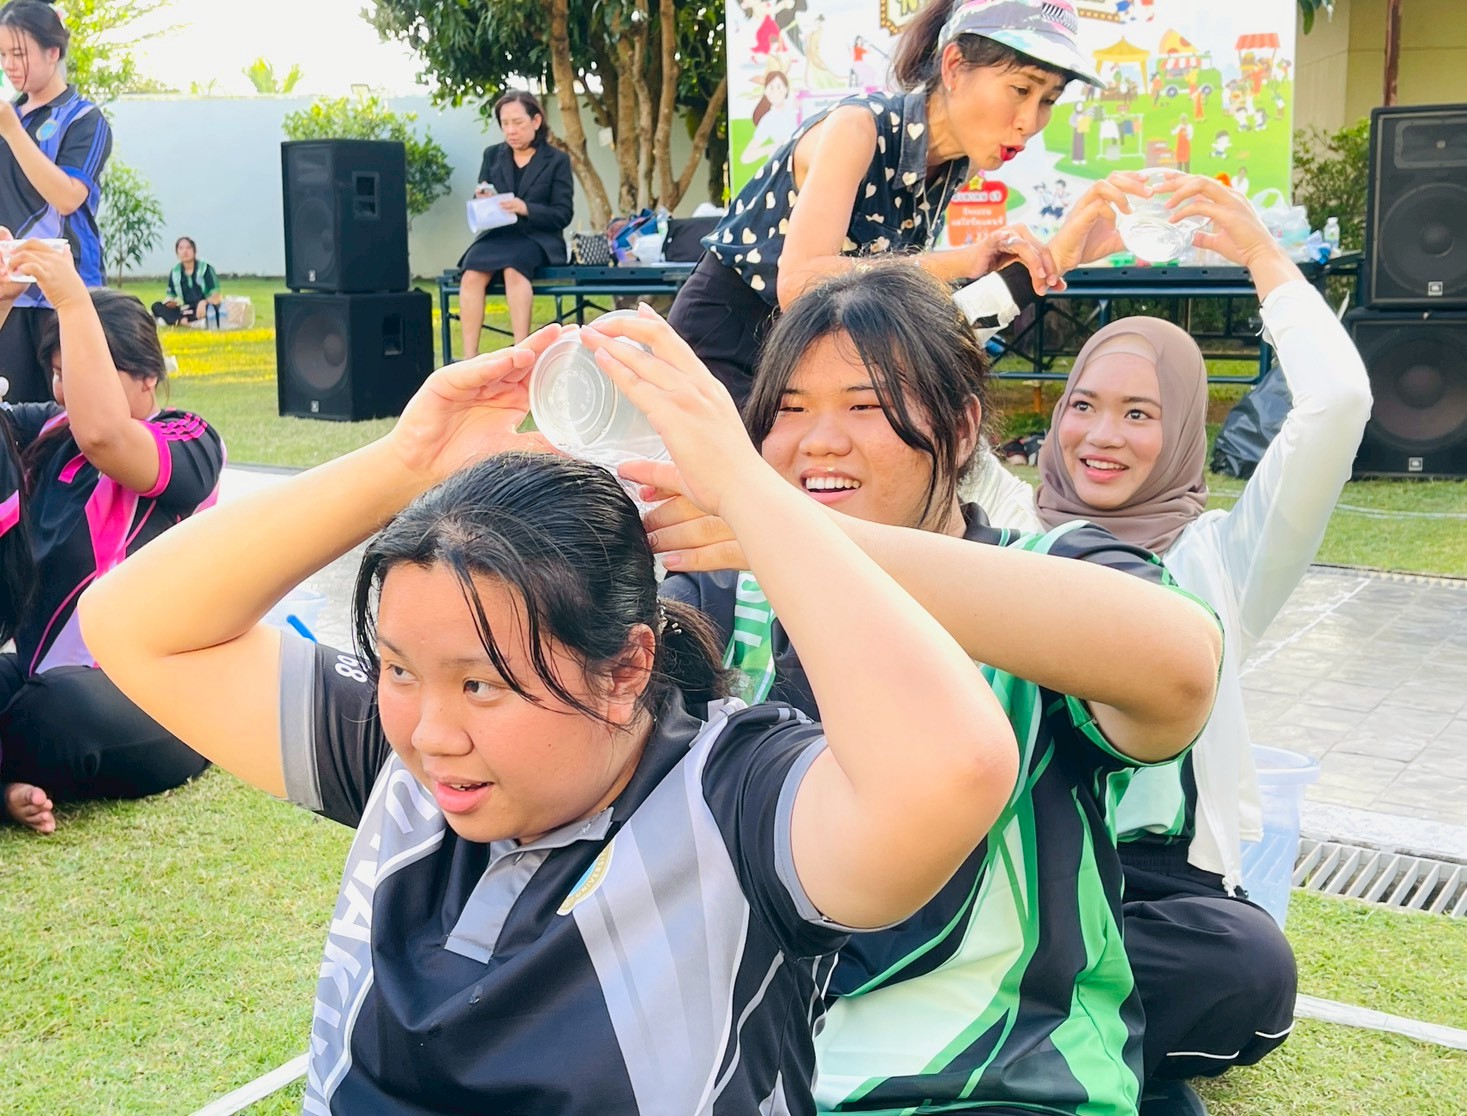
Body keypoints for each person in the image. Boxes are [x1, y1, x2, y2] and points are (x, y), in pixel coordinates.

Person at [78, 311, 1027, 1112]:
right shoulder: (405, 769)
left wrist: (748, 492)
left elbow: (953, 771)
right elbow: (134, 624)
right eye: (398, 669)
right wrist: (405, 463)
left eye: (482, 684)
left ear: (626, 670)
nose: (430, 732)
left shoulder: (733, 807)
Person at [591, 268, 1223, 1116]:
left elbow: (1180, 666)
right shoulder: (722, 594)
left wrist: (789, 529)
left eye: (864, 405)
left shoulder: (1048, 575)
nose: (818, 442)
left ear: (959, 430)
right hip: (746, 1078)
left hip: (994, 1088)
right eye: (788, 409)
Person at [1033, 175, 1373, 1112]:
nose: (1101, 437)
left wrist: (1262, 258)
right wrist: (1046, 264)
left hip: (1150, 885)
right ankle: (1079, 1048)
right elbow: (896, 376)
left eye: (1140, 414)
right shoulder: (995, 524)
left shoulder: (1221, 560)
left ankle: (1033, 1036)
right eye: (1082, 405)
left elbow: (1336, 402)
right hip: (1009, 865)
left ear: (1181, 425)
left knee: (1243, 963)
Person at [668, 0, 1109, 405]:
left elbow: (917, 296)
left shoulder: (958, 163)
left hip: (805, 354)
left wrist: (1060, 255)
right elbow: (800, 280)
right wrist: (963, 260)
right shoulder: (859, 128)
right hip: (723, 341)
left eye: (1049, 100)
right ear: (954, 67)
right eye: (1021, 89)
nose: (1030, 121)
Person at [0, 234, 220, 835]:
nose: (69, 390)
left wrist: (72, 299)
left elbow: (105, 436)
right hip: (40, 674)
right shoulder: (49, 430)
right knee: (37, 697)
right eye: (59, 374)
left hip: (156, 702)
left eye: (85, 369)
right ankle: (9, 789)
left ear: (148, 377)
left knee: (58, 712)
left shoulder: (189, 438)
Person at [0, 0, 111, 404]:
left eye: (19, 53)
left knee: (70, 411)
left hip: (64, 289)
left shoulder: (83, 119)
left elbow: (67, 197)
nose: (10, 65)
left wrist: (12, 130)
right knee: (12, 414)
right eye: (3, 55)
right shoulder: (8, 116)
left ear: (53, 51)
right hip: (10, 291)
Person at [458, 90, 573, 352]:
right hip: (498, 234)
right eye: (505, 123)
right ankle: (469, 359)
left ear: (536, 121)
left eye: (518, 123)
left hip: (537, 237)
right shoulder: (492, 155)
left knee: (514, 269)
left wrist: (525, 208)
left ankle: (521, 353)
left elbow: (563, 213)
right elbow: (481, 197)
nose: (511, 130)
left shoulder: (557, 160)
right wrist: (482, 199)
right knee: (471, 274)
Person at [151, 236, 222, 327]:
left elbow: (216, 295)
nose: (185, 251)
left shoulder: (205, 268)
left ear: (194, 251)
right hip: (186, 308)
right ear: (177, 252)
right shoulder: (175, 271)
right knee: (156, 306)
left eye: (188, 248)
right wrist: (169, 303)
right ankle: (183, 321)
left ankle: (179, 321)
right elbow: (171, 296)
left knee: (210, 309)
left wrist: (204, 302)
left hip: (204, 307)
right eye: (181, 248)